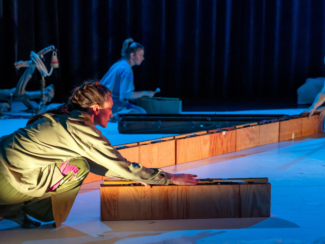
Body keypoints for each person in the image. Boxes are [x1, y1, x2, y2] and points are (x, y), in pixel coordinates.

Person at [0, 81, 199, 228]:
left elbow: (105, 163)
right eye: (110, 108)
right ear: (96, 109)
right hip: (6, 182)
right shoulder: (80, 128)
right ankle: (13, 208)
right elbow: (116, 163)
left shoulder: (64, 114)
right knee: (77, 167)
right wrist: (167, 178)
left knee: (79, 161)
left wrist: (130, 175)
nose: (112, 114)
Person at [100, 38, 155, 121]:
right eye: (140, 55)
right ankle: (111, 116)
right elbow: (126, 95)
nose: (143, 58)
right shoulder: (127, 69)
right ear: (132, 55)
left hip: (102, 101)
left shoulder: (119, 63)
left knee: (134, 107)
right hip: (108, 104)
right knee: (141, 112)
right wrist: (145, 93)